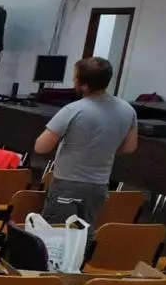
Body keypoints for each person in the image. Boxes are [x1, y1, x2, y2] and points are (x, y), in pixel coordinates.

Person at [34, 57, 138, 225]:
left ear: (85, 85)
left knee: (56, 233)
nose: (73, 79)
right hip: (99, 186)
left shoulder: (73, 110)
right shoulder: (128, 110)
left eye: (75, 77)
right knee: (84, 233)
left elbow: (41, 147)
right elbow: (129, 147)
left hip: (68, 184)